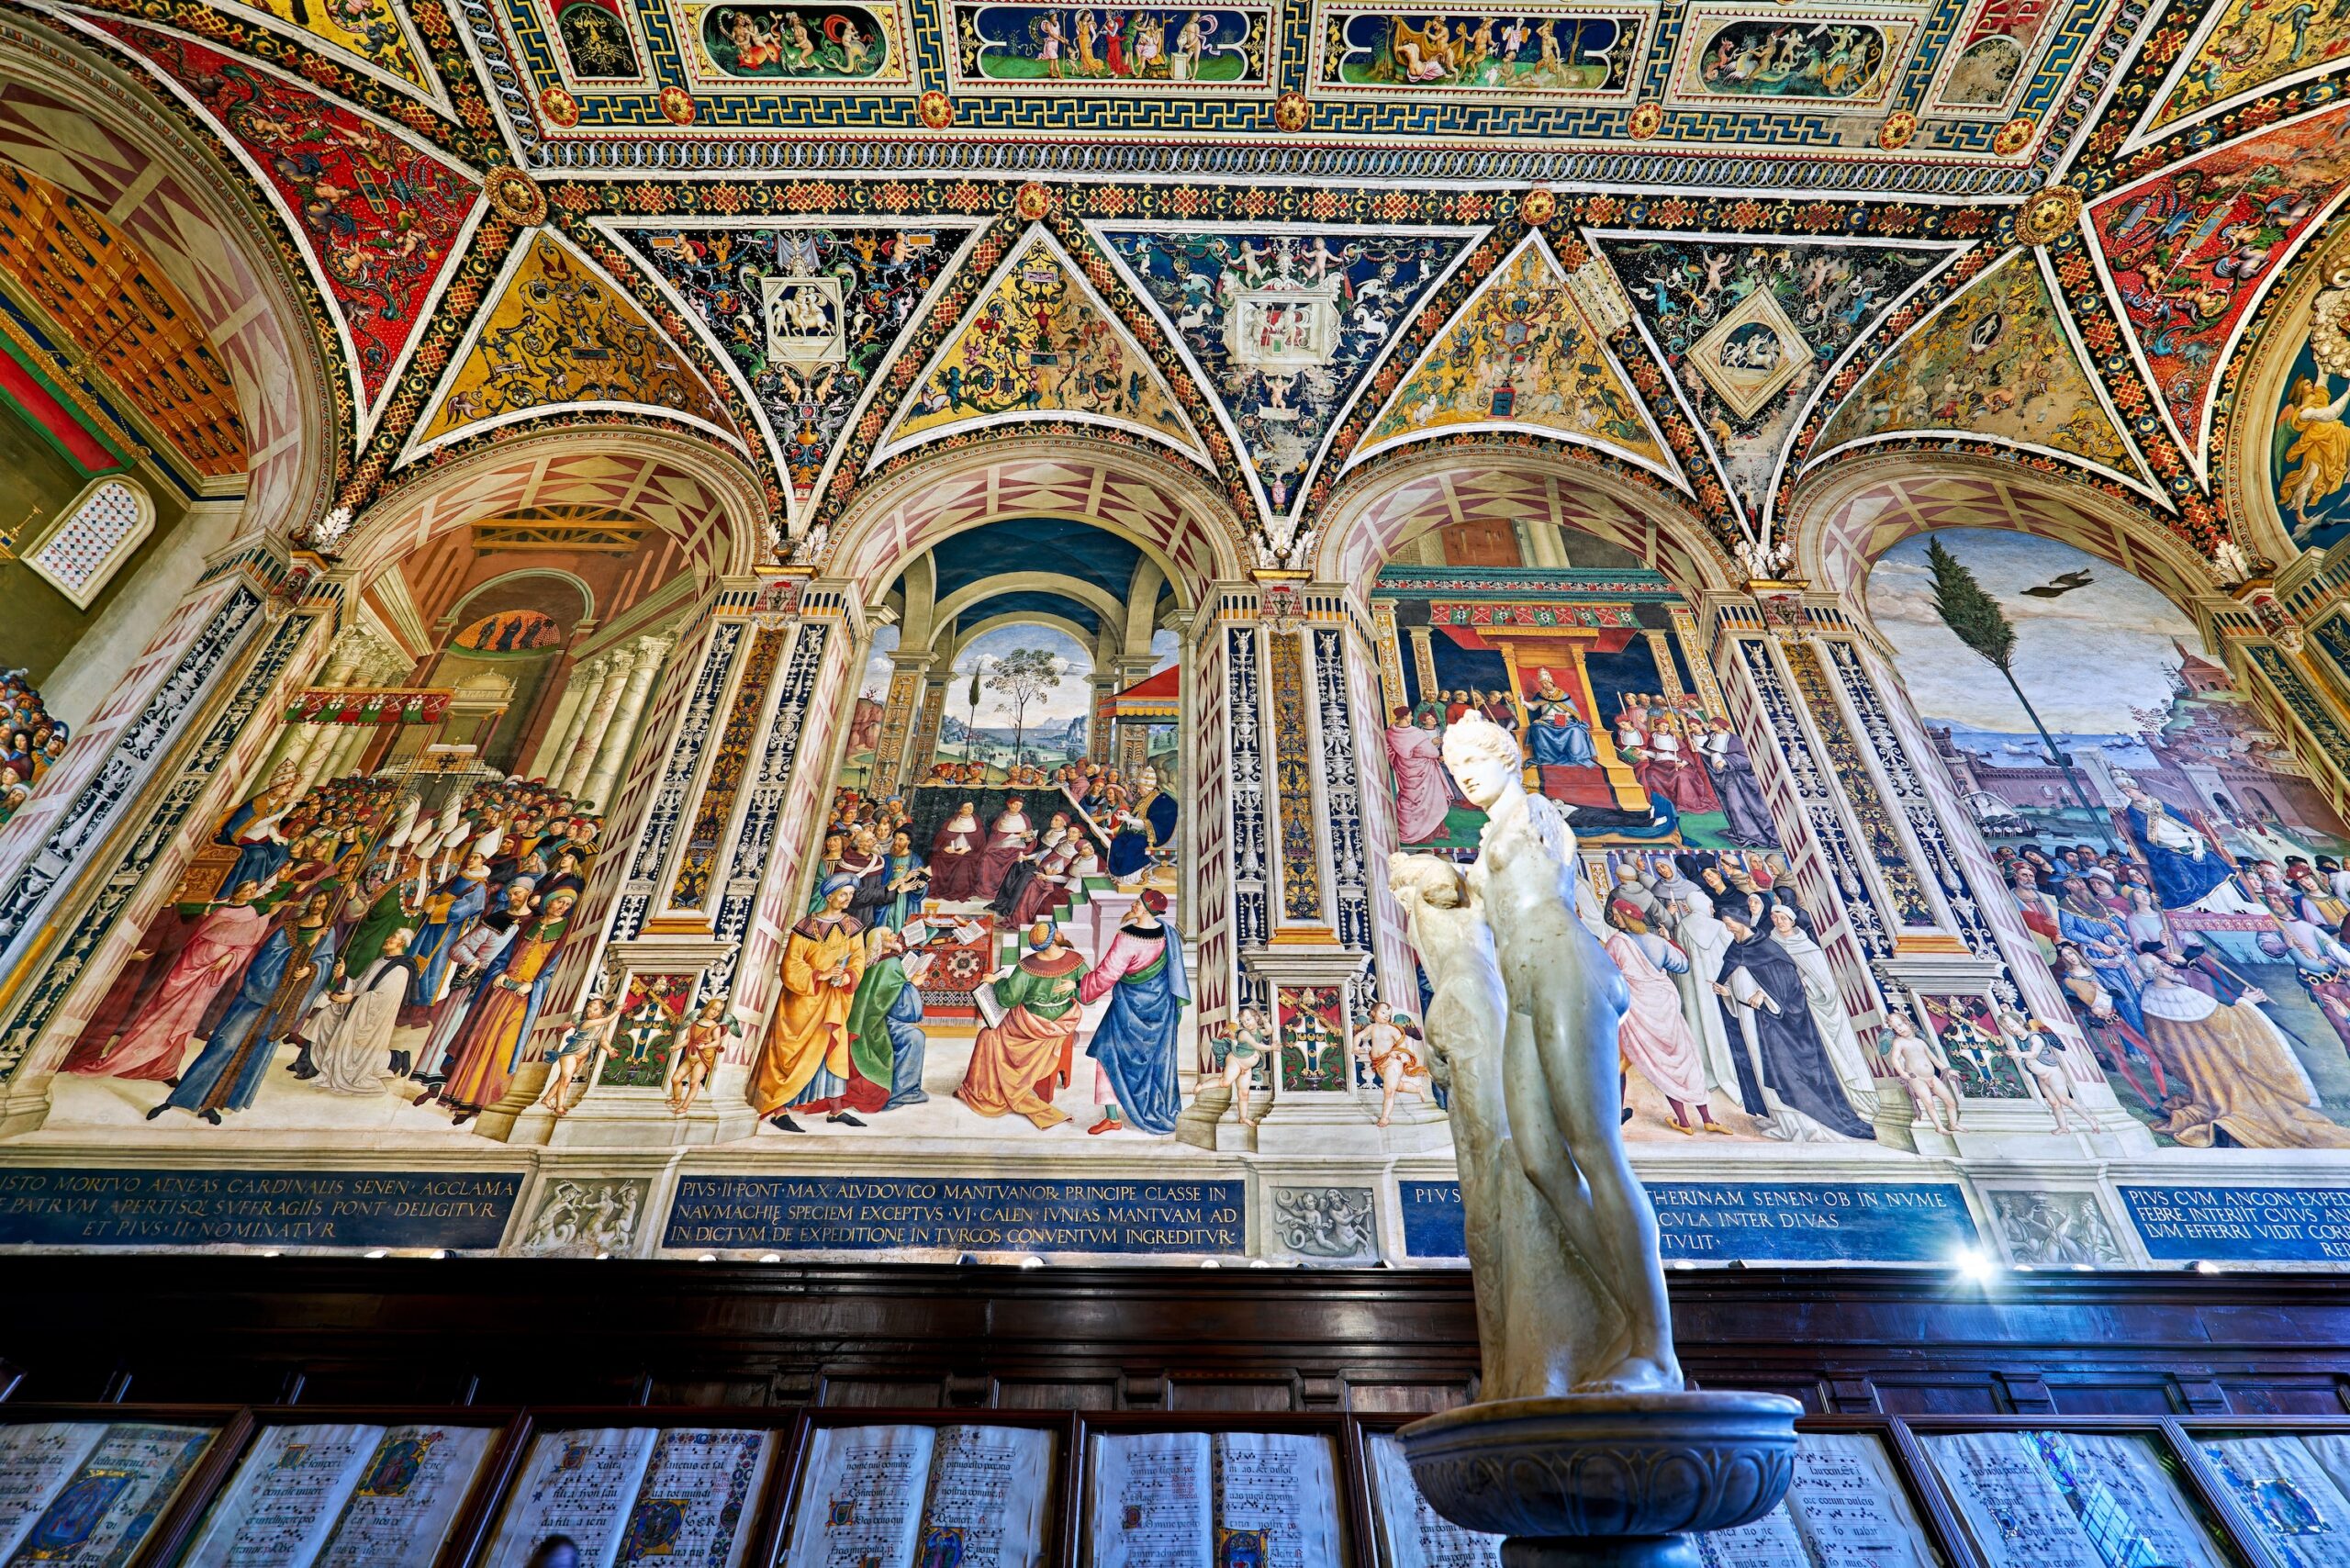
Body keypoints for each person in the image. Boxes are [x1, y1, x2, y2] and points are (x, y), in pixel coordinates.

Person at [72, 880, 276, 1083]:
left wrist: (229, 957)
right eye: (246, 889)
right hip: (190, 964)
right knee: (161, 1011)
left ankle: (165, 1068)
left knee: (188, 1018)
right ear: (237, 892)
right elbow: (194, 935)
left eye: (253, 890)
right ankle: (130, 1059)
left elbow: (246, 944)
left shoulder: (250, 915)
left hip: (209, 974)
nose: (250, 893)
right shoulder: (219, 911)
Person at [1710, 897, 1877, 1142]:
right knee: (1758, 1064)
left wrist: (1764, 995)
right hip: (1748, 1017)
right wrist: (1728, 995)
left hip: (1773, 1022)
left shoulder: (1767, 948)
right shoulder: (1734, 950)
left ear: (1742, 921)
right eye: (1725, 924)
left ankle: (1801, 1124)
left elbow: (1790, 984)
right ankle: (1782, 1121)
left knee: (1781, 1067)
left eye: (1730, 923)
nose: (1728, 928)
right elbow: (1734, 981)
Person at [429, 888, 577, 1126]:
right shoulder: (529, 925)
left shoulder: (566, 933)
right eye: (559, 901)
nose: (562, 906)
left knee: (503, 1047)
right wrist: (497, 973)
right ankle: (462, 1100)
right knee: (480, 1042)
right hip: (501, 993)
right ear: (548, 902)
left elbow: (559, 971)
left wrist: (536, 985)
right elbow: (504, 957)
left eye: (567, 904)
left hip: (525, 1000)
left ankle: (486, 1101)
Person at [754, 885, 870, 1131]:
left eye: (850, 895)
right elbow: (790, 966)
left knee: (832, 1048)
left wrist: (848, 976)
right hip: (802, 1002)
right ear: (829, 896)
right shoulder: (805, 926)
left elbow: (858, 959)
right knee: (788, 1054)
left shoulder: (852, 926)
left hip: (833, 999)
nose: (848, 899)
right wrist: (821, 975)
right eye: (843, 894)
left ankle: (836, 1110)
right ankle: (779, 1110)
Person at [1601, 903, 1722, 1136]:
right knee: (1680, 1060)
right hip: (1664, 1005)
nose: (1615, 920)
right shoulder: (1657, 941)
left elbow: (1606, 972)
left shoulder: (1617, 942)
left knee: (1644, 1063)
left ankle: (1684, 1122)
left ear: (1627, 919)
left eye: (1617, 916)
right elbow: (1681, 965)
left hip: (1637, 1009)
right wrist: (1670, 942)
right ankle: (1705, 1118)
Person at [1078, 889, 1189, 1135]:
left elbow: (1107, 974)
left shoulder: (1128, 936)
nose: (1134, 904)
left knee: (1107, 1051)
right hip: (1160, 1008)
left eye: (1139, 902)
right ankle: (1150, 1107)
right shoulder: (1167, 934)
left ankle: (1112, 1117)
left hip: (1127, 1008)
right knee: (1153, 1060)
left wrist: (1080, 989)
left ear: (1148, 908)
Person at [957, 920, 1089, 1127]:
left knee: (987, 1037)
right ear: (1055, 937)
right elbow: (1089, 997)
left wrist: (996, 982)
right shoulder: (1076, 961)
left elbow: (1008, 999)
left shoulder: (1028, 966)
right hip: (1063, 1021)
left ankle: (995, 1086)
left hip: (1030, 1026)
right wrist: (1075, 987)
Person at [309, 927, 420, 1097]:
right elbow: (359, 985)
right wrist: (342, 977)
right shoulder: (379, 961)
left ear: (402, 943)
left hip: (370, 1019)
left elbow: (381, 1000)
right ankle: (316, 1065)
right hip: (357, 1010)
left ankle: (396, 1059)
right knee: (326, 1016)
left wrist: (351, 1000)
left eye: (393, 937)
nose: (388, 939)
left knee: (357, 1056)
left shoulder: (400, 970)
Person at [844, 927, 934, 1112]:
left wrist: (904, 983)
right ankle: (903, 1092)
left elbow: (883, 995)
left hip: (866, 1021)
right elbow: (901, 1007)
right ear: (880, 942)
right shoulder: (891, 962)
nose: (895, 937)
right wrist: (913, 985)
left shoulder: (871, 962)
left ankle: (901, 1087)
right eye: (889, 935)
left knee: (913, 1035)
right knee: (915, 1036)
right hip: (877, 1025)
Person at [1693, 716, 1778, 848]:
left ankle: (1756, 836)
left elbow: (1746, 759)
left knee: (1740, 806)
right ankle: (1741, 833)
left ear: (1721, 726)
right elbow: (1712, 754)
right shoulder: (1712, 737)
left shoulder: (1734, 741)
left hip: (1740, 779)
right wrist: (1699, 749)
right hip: (1724, 777)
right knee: (1730, 806)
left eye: (1713, 724)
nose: (1710, 725)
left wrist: (1725, 761)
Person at [1879, 1012, 1962, 1136]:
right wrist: (1903, 1073)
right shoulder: (1899, 1042)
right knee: (1929, 1103)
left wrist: (1948, 1069)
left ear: (1907, 1022)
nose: (1899, 1029)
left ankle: (1953, 1124)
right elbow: (1895, 1059)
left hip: (1932, 1077)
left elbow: (1934, 1060)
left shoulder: (1920, 1042)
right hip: (1916, 1078)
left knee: (1950, 1101)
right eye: (1895, 1028)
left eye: (1900, 1025)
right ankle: (1939, 1127)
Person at [541, 994, 619, 1116]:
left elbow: (603, 1041)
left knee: (562, 1079)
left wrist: (610, 1050)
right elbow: (607, 1019)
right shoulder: (586, 1023)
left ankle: (546, 1099)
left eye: (595, 1009)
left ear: (603, 1008)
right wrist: (617, 1011)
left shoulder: (602, 1026)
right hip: (570, 1054)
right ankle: (559, 1107)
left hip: (582, 1057)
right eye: (588, 1010)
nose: (591, 1012)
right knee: (566, 1081)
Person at [1385, 706, 1453, 844]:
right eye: (1410, 715)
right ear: (1405, 717)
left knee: (1409, 800)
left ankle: (1409, 831)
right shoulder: (1415, 733)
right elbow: (1433, 753)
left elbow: (1389, 753)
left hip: (1404, 771)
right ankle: (1426, 833)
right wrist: (1432, 744)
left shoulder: (1389, 733)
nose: (1411, 718)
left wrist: (1402, 759)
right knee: (1429, 801)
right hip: (1424, 772)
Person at [1354, 1009, 1432, 1128]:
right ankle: (1417, 1089)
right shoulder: (1371, 1027)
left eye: (1388, 1014)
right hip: (1379, 1064)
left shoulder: (1392, 1029)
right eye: (1383, 1013)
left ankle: (1385, 1117)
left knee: (1389, 1091)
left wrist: (1395, 1052)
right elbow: (1359, 1035)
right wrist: (1355, 1046)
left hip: (1393, 1063)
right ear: (1374, 1014)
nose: (1386, 1016)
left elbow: (1402, 1043)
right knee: (1399, 1087)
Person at [666, 995, 740, 1115]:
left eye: (718, 1011)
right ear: (707, 1008)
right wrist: (677, 1046)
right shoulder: (695, 1023)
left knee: (694, 1083)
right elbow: (688, 1039)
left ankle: (684, 1107)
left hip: (703, 1058)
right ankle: (677, 1098)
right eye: (713, 1009)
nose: (715, 1012)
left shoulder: (715, 1027)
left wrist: (704, 1046)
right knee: (675, 1079)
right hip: (690, 1056)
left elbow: (717, 1042)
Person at [1107, 766, 1177, 881]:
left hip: (1155, 837)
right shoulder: (1147, 797)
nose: (1138, 791)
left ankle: (1131, 878)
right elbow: (1140, 818)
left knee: (1131, 846)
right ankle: (1119, 877)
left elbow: (1155, 825)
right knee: (1117, 841)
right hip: (1140, 833)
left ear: (1147, 788)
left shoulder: (1162, 801)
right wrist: (1129, 817)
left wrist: (1128, 820)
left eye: (1140, 788)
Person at [1524, 671, 1596, 767]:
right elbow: (1533, 707)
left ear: (1551, 681)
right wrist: (1523, 702)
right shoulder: (1540, 695)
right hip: (1545, 722)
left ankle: (1576, 757)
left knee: (1576, 730)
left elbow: (1572, 710)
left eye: (1546, 683)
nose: (1544, 685)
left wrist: (1565, 716)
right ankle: (1546, 758)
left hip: (1563, 722)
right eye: (1542, 684)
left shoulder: (1563, 695)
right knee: (1538, 729)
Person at [926, 800, 985, 902]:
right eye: (966, 807)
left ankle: (959, 892)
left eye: (971, 806)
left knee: (964, 863)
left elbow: (980, 841)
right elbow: (941, 838)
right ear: (960, 809)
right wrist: (945, 848)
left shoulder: (976, 821)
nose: (970, 809)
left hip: (970, 853)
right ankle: (941, 888)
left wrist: (967, 849)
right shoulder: (952, 821)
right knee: (936, 860)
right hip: (951, 851)